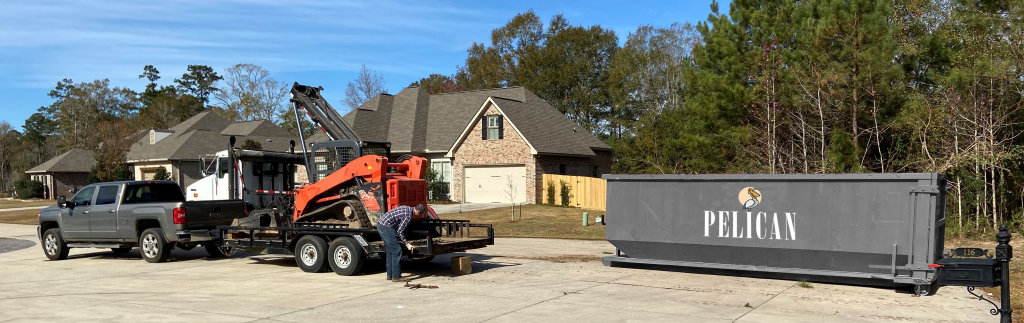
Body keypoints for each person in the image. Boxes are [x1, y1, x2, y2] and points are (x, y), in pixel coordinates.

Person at [376, 204, 425, 282]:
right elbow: (400, 231)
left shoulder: (407, 208)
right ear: (417, 211)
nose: (418, 215)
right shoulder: (408, 216)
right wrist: (406, 243)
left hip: (381, 225)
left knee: (390, 252)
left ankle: (390, 275)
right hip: (387, 228)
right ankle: (396, 276)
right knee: (397, 251)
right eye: (420, 214)